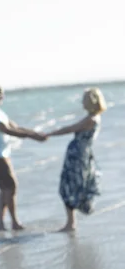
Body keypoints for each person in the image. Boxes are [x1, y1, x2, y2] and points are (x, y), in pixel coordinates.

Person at [0, 83, 46, 231]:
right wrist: (31, 136)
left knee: (5, 189)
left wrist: (34, 134)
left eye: (2, 93)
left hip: (2, 154)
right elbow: (6, 130)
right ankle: (14, 222)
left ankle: (0, 224)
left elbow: (15, 126)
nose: (2, 96)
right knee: (11, 186)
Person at [44, 87, 107, 232]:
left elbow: (71, 128)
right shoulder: (92, 117)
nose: (82, 103)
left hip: (78, 155)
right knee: (72, 184)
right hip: (80, 153)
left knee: (69, 185)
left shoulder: (91, 119)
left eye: (84, 100)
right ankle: (71, 222)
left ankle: (71, 223)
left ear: (91, 101)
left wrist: (50, 133)